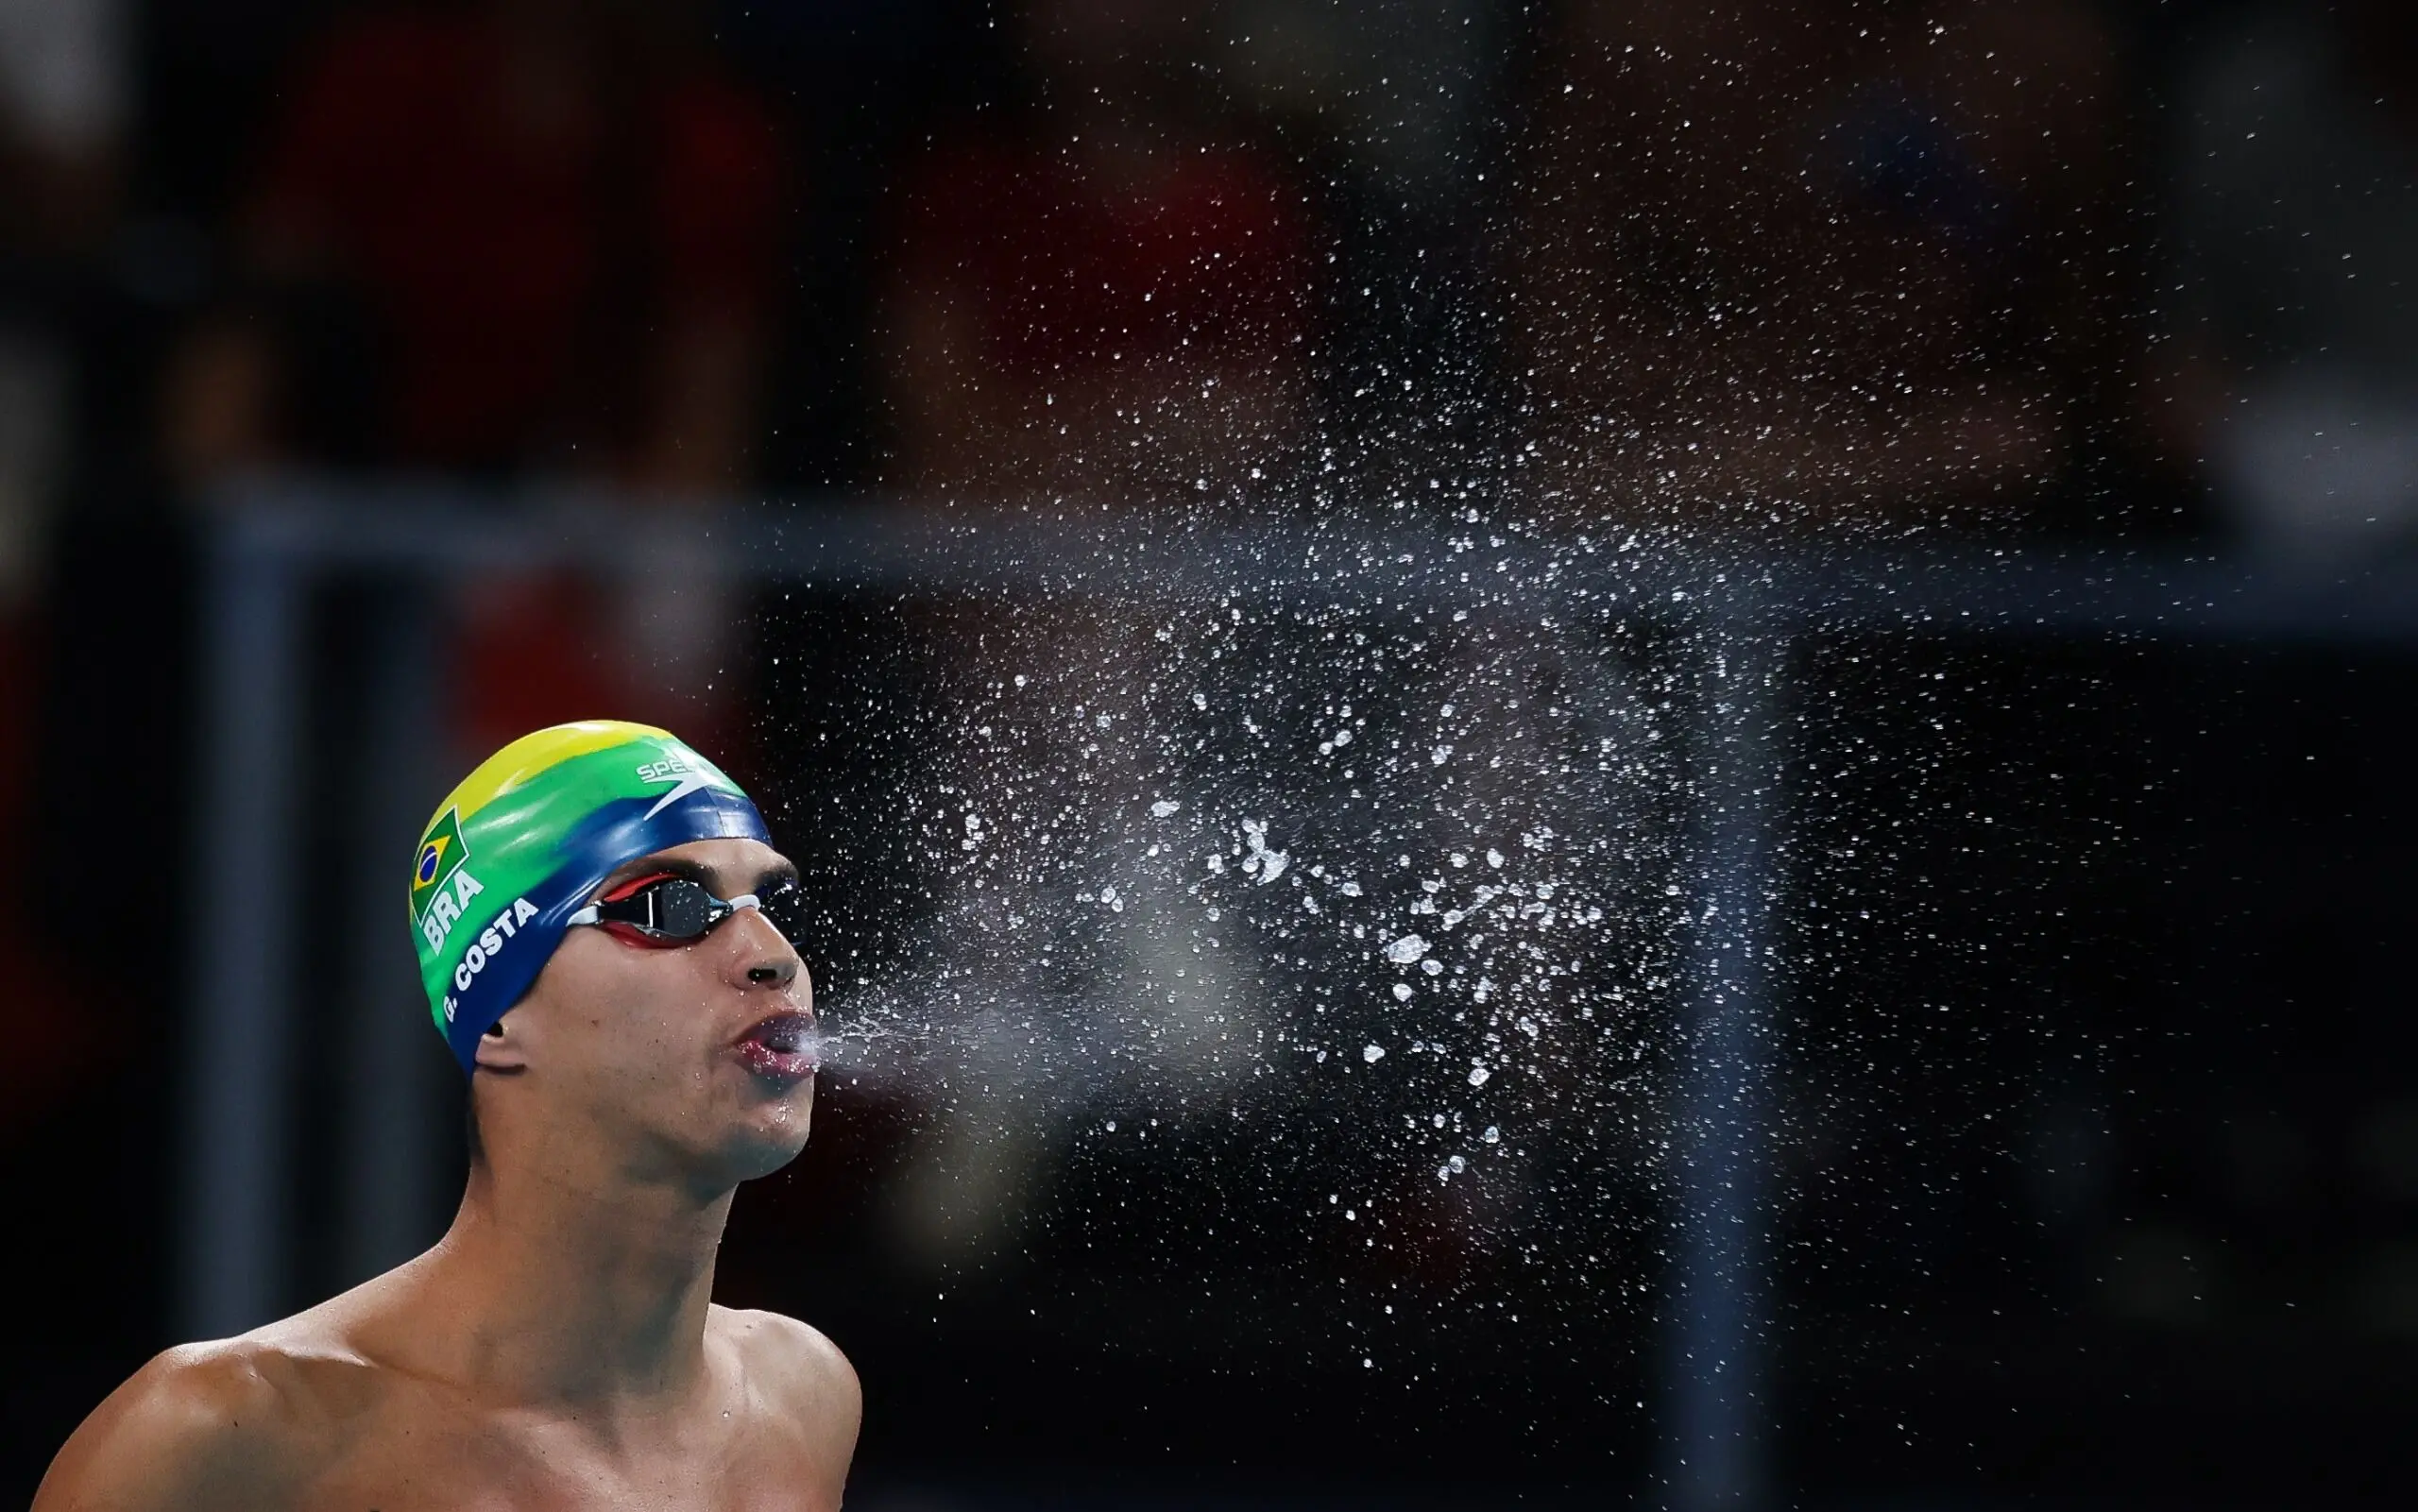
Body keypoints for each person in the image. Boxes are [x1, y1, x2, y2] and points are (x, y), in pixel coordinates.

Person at [32, 721, 859, 1510]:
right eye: (666, 907)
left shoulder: (804, 1401)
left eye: (769, 901)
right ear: (497, 1017)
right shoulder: (224, 1442)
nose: (772, 955)